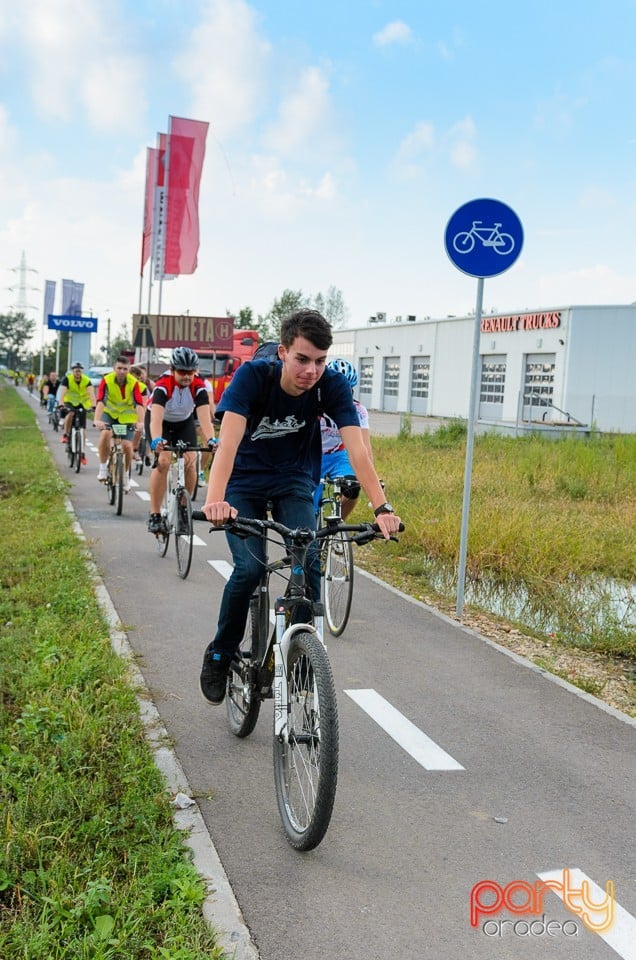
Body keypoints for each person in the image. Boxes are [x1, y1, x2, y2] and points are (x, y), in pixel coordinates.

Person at [199, 308, 401, 704]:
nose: (311, 371)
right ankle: (221, 652)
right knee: (249, 567)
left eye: (320, 361)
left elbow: (359, 451)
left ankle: (300, 661)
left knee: (308, 567)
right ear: (283, 352)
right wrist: (215, 501)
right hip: (244, 483)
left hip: (294, 480)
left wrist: (381, 508)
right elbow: (228, 443)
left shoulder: (330, 386)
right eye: (302, 359)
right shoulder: (252, 378)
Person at [146, 347, 216, 533]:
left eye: (190, 372)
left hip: (183, 423)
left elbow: (204, 419)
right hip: (161, 423)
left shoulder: (199, 387)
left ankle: (183, 509)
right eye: (182, 372)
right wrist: (157, 440)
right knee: (164, 461)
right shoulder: (163, 386)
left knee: (191, 461)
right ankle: (155, 515)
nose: (186, 376)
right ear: (172, 369)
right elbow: (155, 420)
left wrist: (211, 440)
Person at [314, 358, 373, 521]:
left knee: (353, 488)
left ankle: (337, 526)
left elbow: (365, 446)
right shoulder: (314, 403)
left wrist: (372, 476)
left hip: (338, 457)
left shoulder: (359, 410)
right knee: (308, 510)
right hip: (313, 456)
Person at [93, 356, 146, 488]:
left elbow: (139, 404)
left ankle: (126, 474)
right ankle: (103, 468)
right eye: (119, 368)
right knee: (106, 433)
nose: (122, 371)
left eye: (125, 369)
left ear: (129, 370)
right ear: (114, 368)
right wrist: (97, 420)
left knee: (127, 446)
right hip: (109, 414)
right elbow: (101, 401)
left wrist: (141, 422)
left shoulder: (134, 383)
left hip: (127, 419)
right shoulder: (107, 380)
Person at [58, 362, 96, 464]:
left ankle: (82, 453)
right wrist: (61, 403)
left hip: (82, 403)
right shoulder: (67, 379)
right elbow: (63, 393)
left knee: (82, 429)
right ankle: (65, 435)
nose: (78, 372)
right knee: (70, 414)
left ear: (82, 371)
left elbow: (91, 393)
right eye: (76, 370)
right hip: (70, 402)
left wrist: (93, 405)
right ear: (72, 371)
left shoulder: (86, 380)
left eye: (79, 370)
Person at [129, 364, 155, 461]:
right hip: (123, 413)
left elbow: (144, 403)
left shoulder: (147, 385)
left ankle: (141, 452)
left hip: (143, 410)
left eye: (140, 376)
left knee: (143, 430)